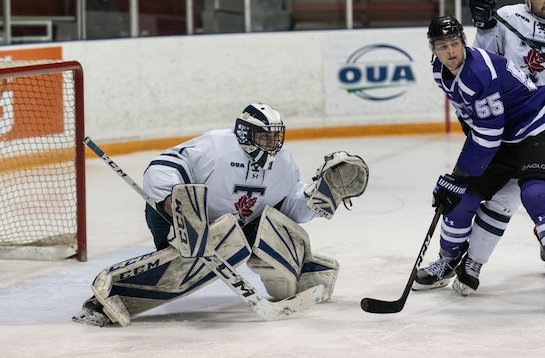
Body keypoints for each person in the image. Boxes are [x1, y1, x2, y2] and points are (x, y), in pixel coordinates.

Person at [72, 102, 369, 326]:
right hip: (179, 220)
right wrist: (177, 206)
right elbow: (162, 168)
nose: (272, 144)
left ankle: (299, 275)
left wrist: (318, 197)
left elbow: (288, 206)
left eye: (276, 137)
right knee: (216, 244)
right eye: (265, 137)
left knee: (266, 230)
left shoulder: (283, 162)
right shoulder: (215, 146)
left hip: (236, 227)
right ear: (245, 132)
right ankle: (114, 296)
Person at [413, 1, 545, 293]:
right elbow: (471, 115)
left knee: (536, 193)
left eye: (454, 44)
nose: (449, 52)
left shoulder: (478, 74)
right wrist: (459, 182)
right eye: (442, 46)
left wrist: (458, 176)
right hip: (504, 136)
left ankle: (472, 263)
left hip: (535, 127)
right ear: (433, 50)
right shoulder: (440, 71)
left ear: (463, 42)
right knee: (460, 201)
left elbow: (488, 135)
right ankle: (448, 261)